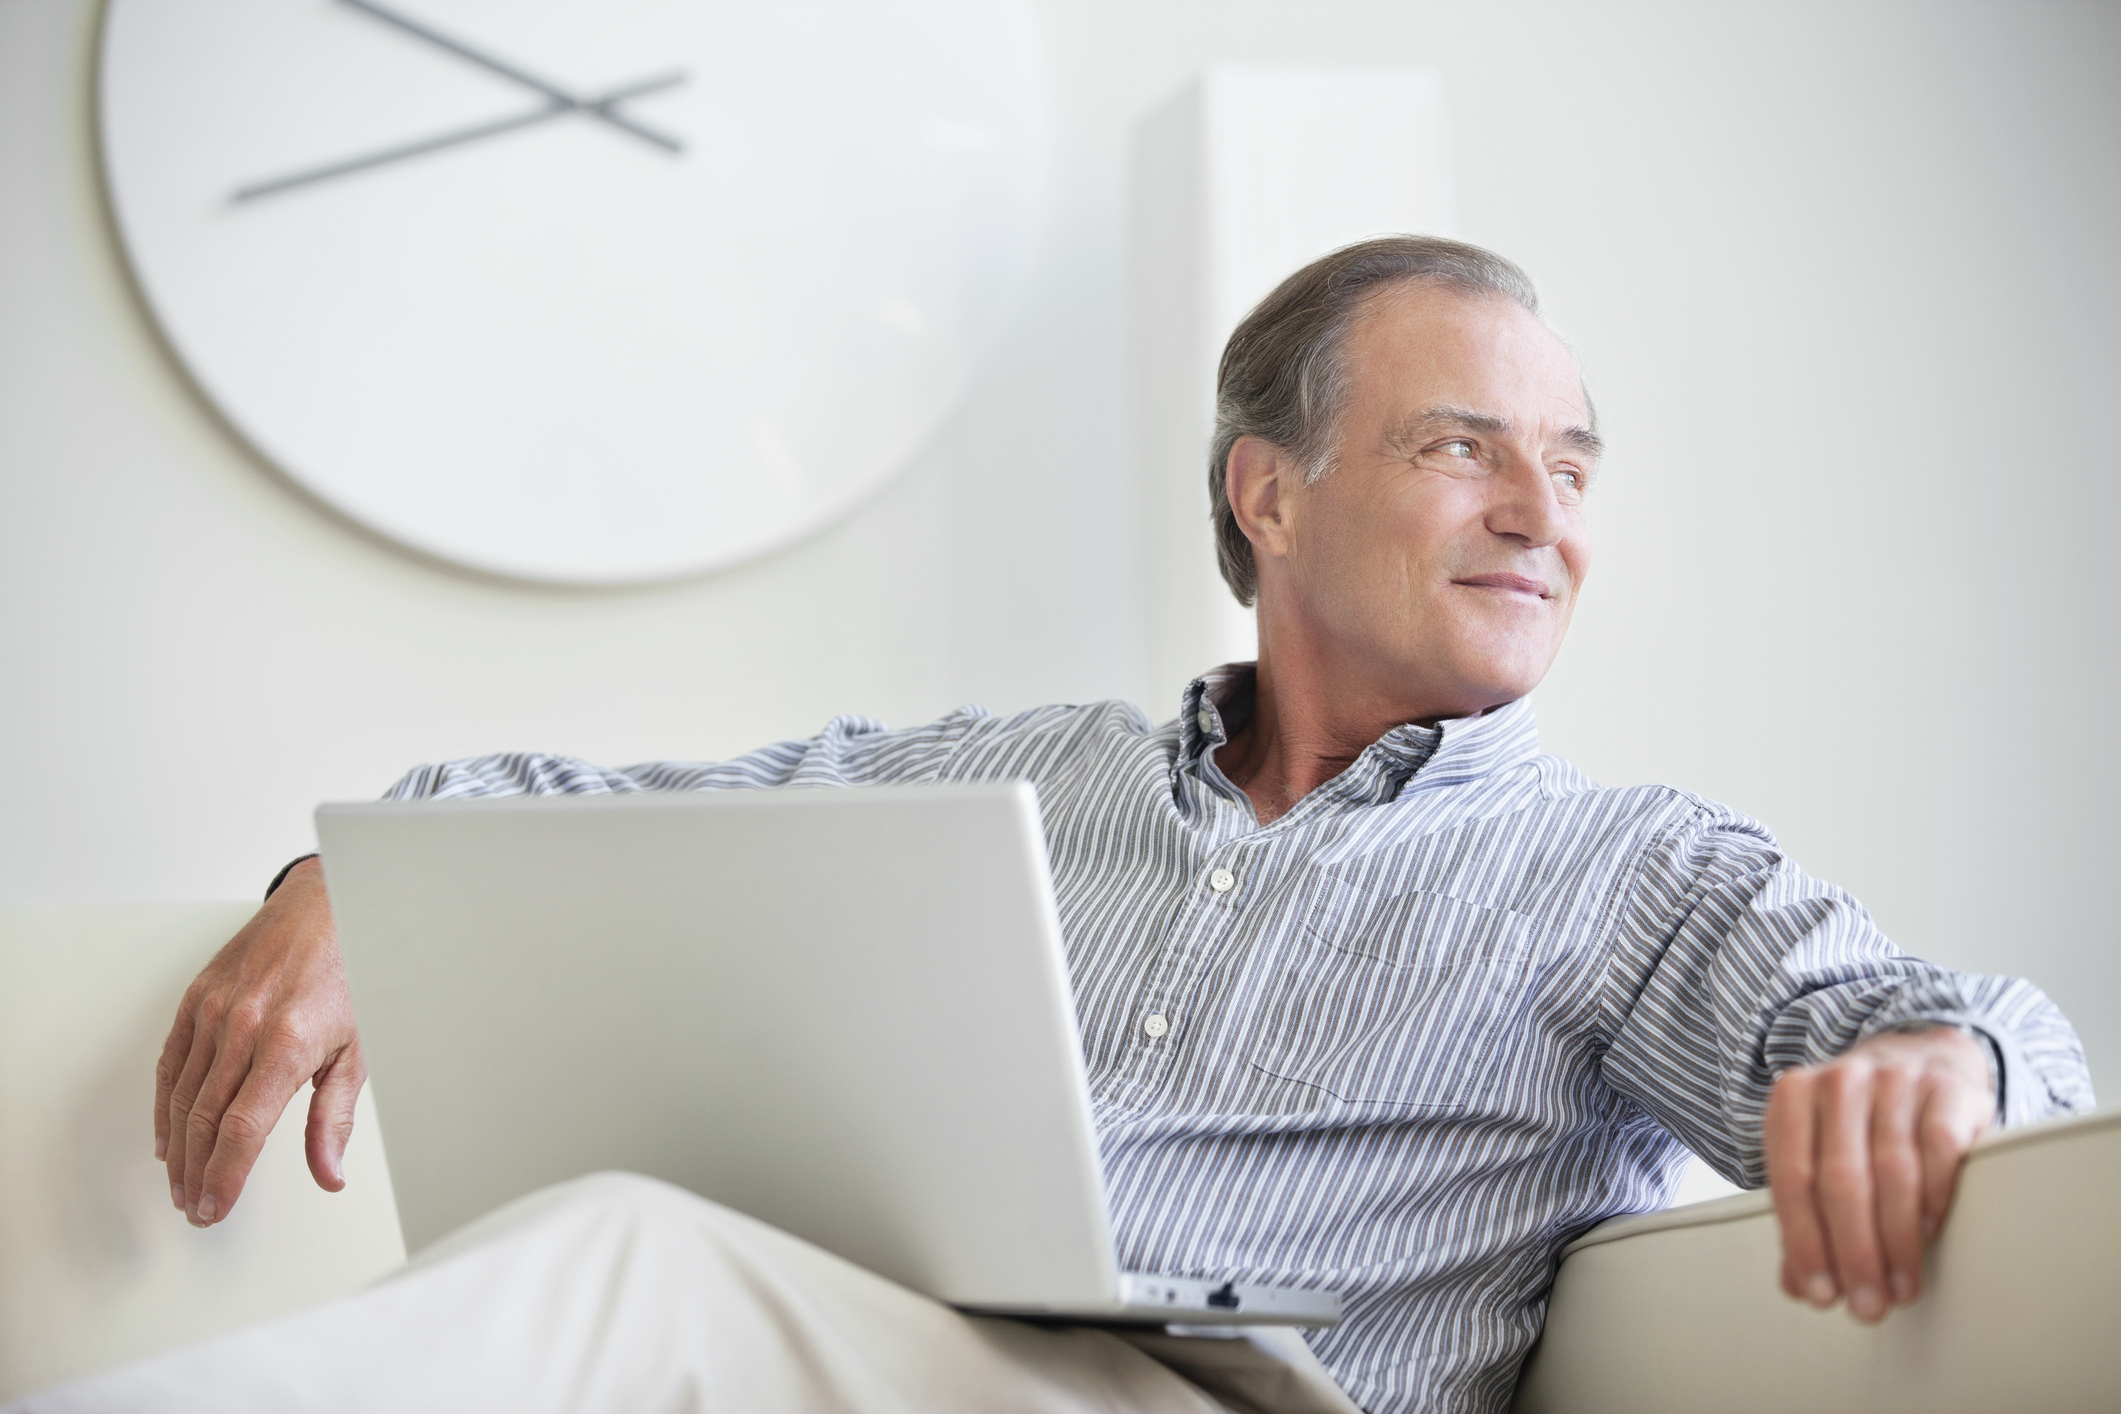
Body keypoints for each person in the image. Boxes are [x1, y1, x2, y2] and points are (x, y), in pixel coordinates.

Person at [102, 237, 2091, 1414]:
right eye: (1457, 445)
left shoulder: (1631, 866)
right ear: (1269, 493)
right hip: (894, 1363)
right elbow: (577, 823)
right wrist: (342, 879)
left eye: (1568, 463)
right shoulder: (1015, 776)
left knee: (630, 1261)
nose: (1540, 510)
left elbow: (1972, 1034)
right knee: (633, 1257)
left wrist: (1941, 1053)